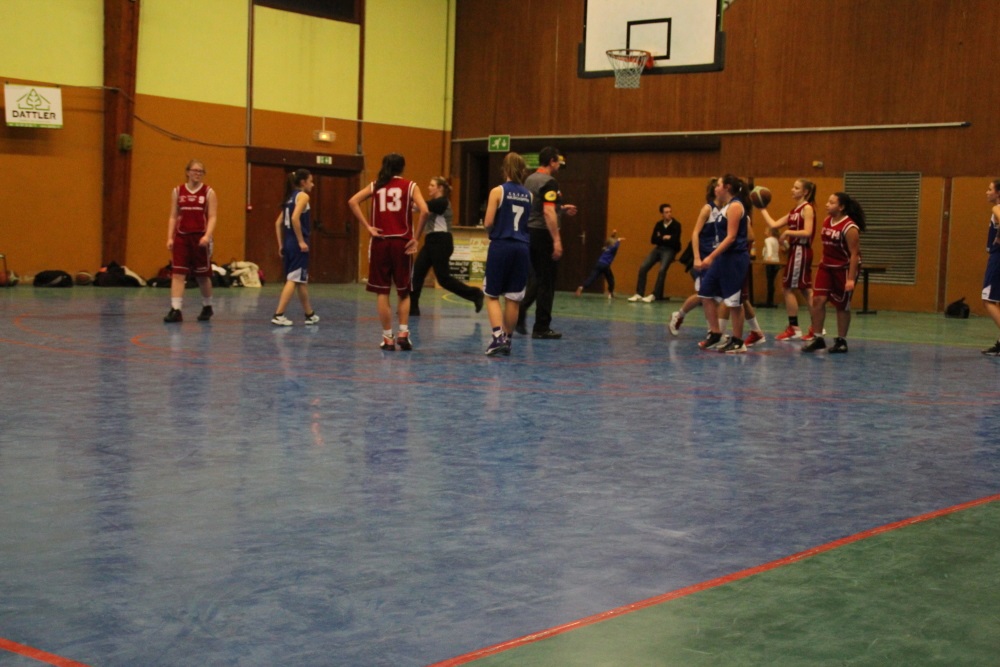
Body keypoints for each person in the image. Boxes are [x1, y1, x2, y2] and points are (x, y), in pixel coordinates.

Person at [348, 153, 428, 351]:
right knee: (404, 291)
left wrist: (368, 226)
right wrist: (416, 237)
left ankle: (387, 337)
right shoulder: (410, 185)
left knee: (382, 291)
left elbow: (352, 201)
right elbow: (425, 211)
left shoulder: (376, 185)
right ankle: (403, 333)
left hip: (380, 242)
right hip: (402, 242)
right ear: (402, 167)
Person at [515, 146, 577, 339]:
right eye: (558, 161)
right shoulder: (550, 182)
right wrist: (556, 240)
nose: (559, 165)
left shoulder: (530, 179)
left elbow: (539, 206)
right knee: (547, 282)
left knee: (537, 278)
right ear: (552, 161)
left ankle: (520, 311)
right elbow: (547, 211)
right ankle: (541, 327)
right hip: (544, 234)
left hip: (529, 233)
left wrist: (561, 208)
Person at [409, 176, 484, 316]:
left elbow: (420, 206)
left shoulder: (442, 202)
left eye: (432, 185)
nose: (429, 187)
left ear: (440, 188)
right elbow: (416, 207)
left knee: (443, 279)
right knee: (417, 273)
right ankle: (413, 308)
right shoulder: (433, 203)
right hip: (431, 241)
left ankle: (475, 294)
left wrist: (407, 199)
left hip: (441, 242)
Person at [481, 152, 532, 356]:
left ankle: (497, 337)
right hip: (522, 248)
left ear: (505, 169)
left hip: (502, 245)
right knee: (513, 298)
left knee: (492, 294)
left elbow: (488, 222)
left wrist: (492, 232)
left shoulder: (498, 191)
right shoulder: (529, 195)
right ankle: (508, 340)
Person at [803, 192, 865, 353]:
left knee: (842, 305)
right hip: (826, 266)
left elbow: (854, 254)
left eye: (831, 202)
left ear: (841, 207)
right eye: (828, 201)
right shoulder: (827, 221)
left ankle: (841, 341)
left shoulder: (850, 227)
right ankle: (818, 338)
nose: (827, 205)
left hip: (844, 268)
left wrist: (850, 279)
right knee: (818, 299)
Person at [758, 179, 819, 341]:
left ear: (805, 192)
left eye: (796, 188)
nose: (792, 190)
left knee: (788, 288)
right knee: (805, 290)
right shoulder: (794, 211)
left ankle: (794, 328)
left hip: (801, 250)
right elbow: (774, 224)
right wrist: (762, 208)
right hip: (796, 251)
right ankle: (816, 327)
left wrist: (788, 233)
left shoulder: (807, 208)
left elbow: (807, 232)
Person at [697, 174, 752, 354]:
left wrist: (710, 256)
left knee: (734, 302)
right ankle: (715, 333)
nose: (715, 188)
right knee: (705, 293)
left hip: (734, 258)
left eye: (718, 185)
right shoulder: (725, 207)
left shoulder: (735, 206)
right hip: (723, 258)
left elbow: (731, 237)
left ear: (727, 187)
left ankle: (738, 341)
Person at [164, 159, 217, 323]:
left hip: (200, 237)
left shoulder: (208, 192)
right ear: (187, 172)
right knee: (178, 273)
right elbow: (173, 216)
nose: (197, 174)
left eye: (200, 171)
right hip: (182, 236)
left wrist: (207, 235)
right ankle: (176, 309)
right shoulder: (178, 191)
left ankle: (207, 306)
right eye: (194, 170)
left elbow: (212, 216)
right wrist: (169, 237)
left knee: (202, 276)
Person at [271, 169, 319, 326]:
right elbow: (294, 218)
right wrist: (301, 241)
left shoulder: (289, 197)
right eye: (310, 181)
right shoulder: (303, 196)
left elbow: (278, 223)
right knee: (293, 279)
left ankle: (309, 314)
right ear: (303, 182)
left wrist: (281, 244)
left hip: (288, 242)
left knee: (300, 279)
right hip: (298, 243)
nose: (312, 184)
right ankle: (279, 314)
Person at [669, 179, 717, 337]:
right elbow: (695, 233)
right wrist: (696, 257)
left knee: (712, 296)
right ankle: (711, 330)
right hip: (704, 259)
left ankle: (681, 316)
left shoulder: (727, 210)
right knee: (705, 295)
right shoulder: (708, 209)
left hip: (717, 258)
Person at [628, 204, 682, 302]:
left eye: (670, 212)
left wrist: (662, 238)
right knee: (643, 267)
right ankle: (639, 293)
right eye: (666, 212)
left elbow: (675, 241)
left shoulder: (676, 225)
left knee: (662, 270)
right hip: (658, 248)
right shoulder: (659, 224)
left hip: (670, 250)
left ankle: (655, 294)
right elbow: (653, 240)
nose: (669, 214)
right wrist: (664, 238)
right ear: (662, 214)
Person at [981, 180, 1000, 355]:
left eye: (990, 189)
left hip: (998, 257)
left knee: (988, 300)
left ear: (998, 193)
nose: (987, 192)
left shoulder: (997, 208)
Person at [575, 230, 623, 299]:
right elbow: (615, 245)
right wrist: (618, 240)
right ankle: (610, 293)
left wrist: (613, 234)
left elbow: (610, 240)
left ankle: (581, 287)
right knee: (611, 279)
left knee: (592, 278)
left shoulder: (606, 247)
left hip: (599, 263)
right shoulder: (613, 248)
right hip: (605, 265)